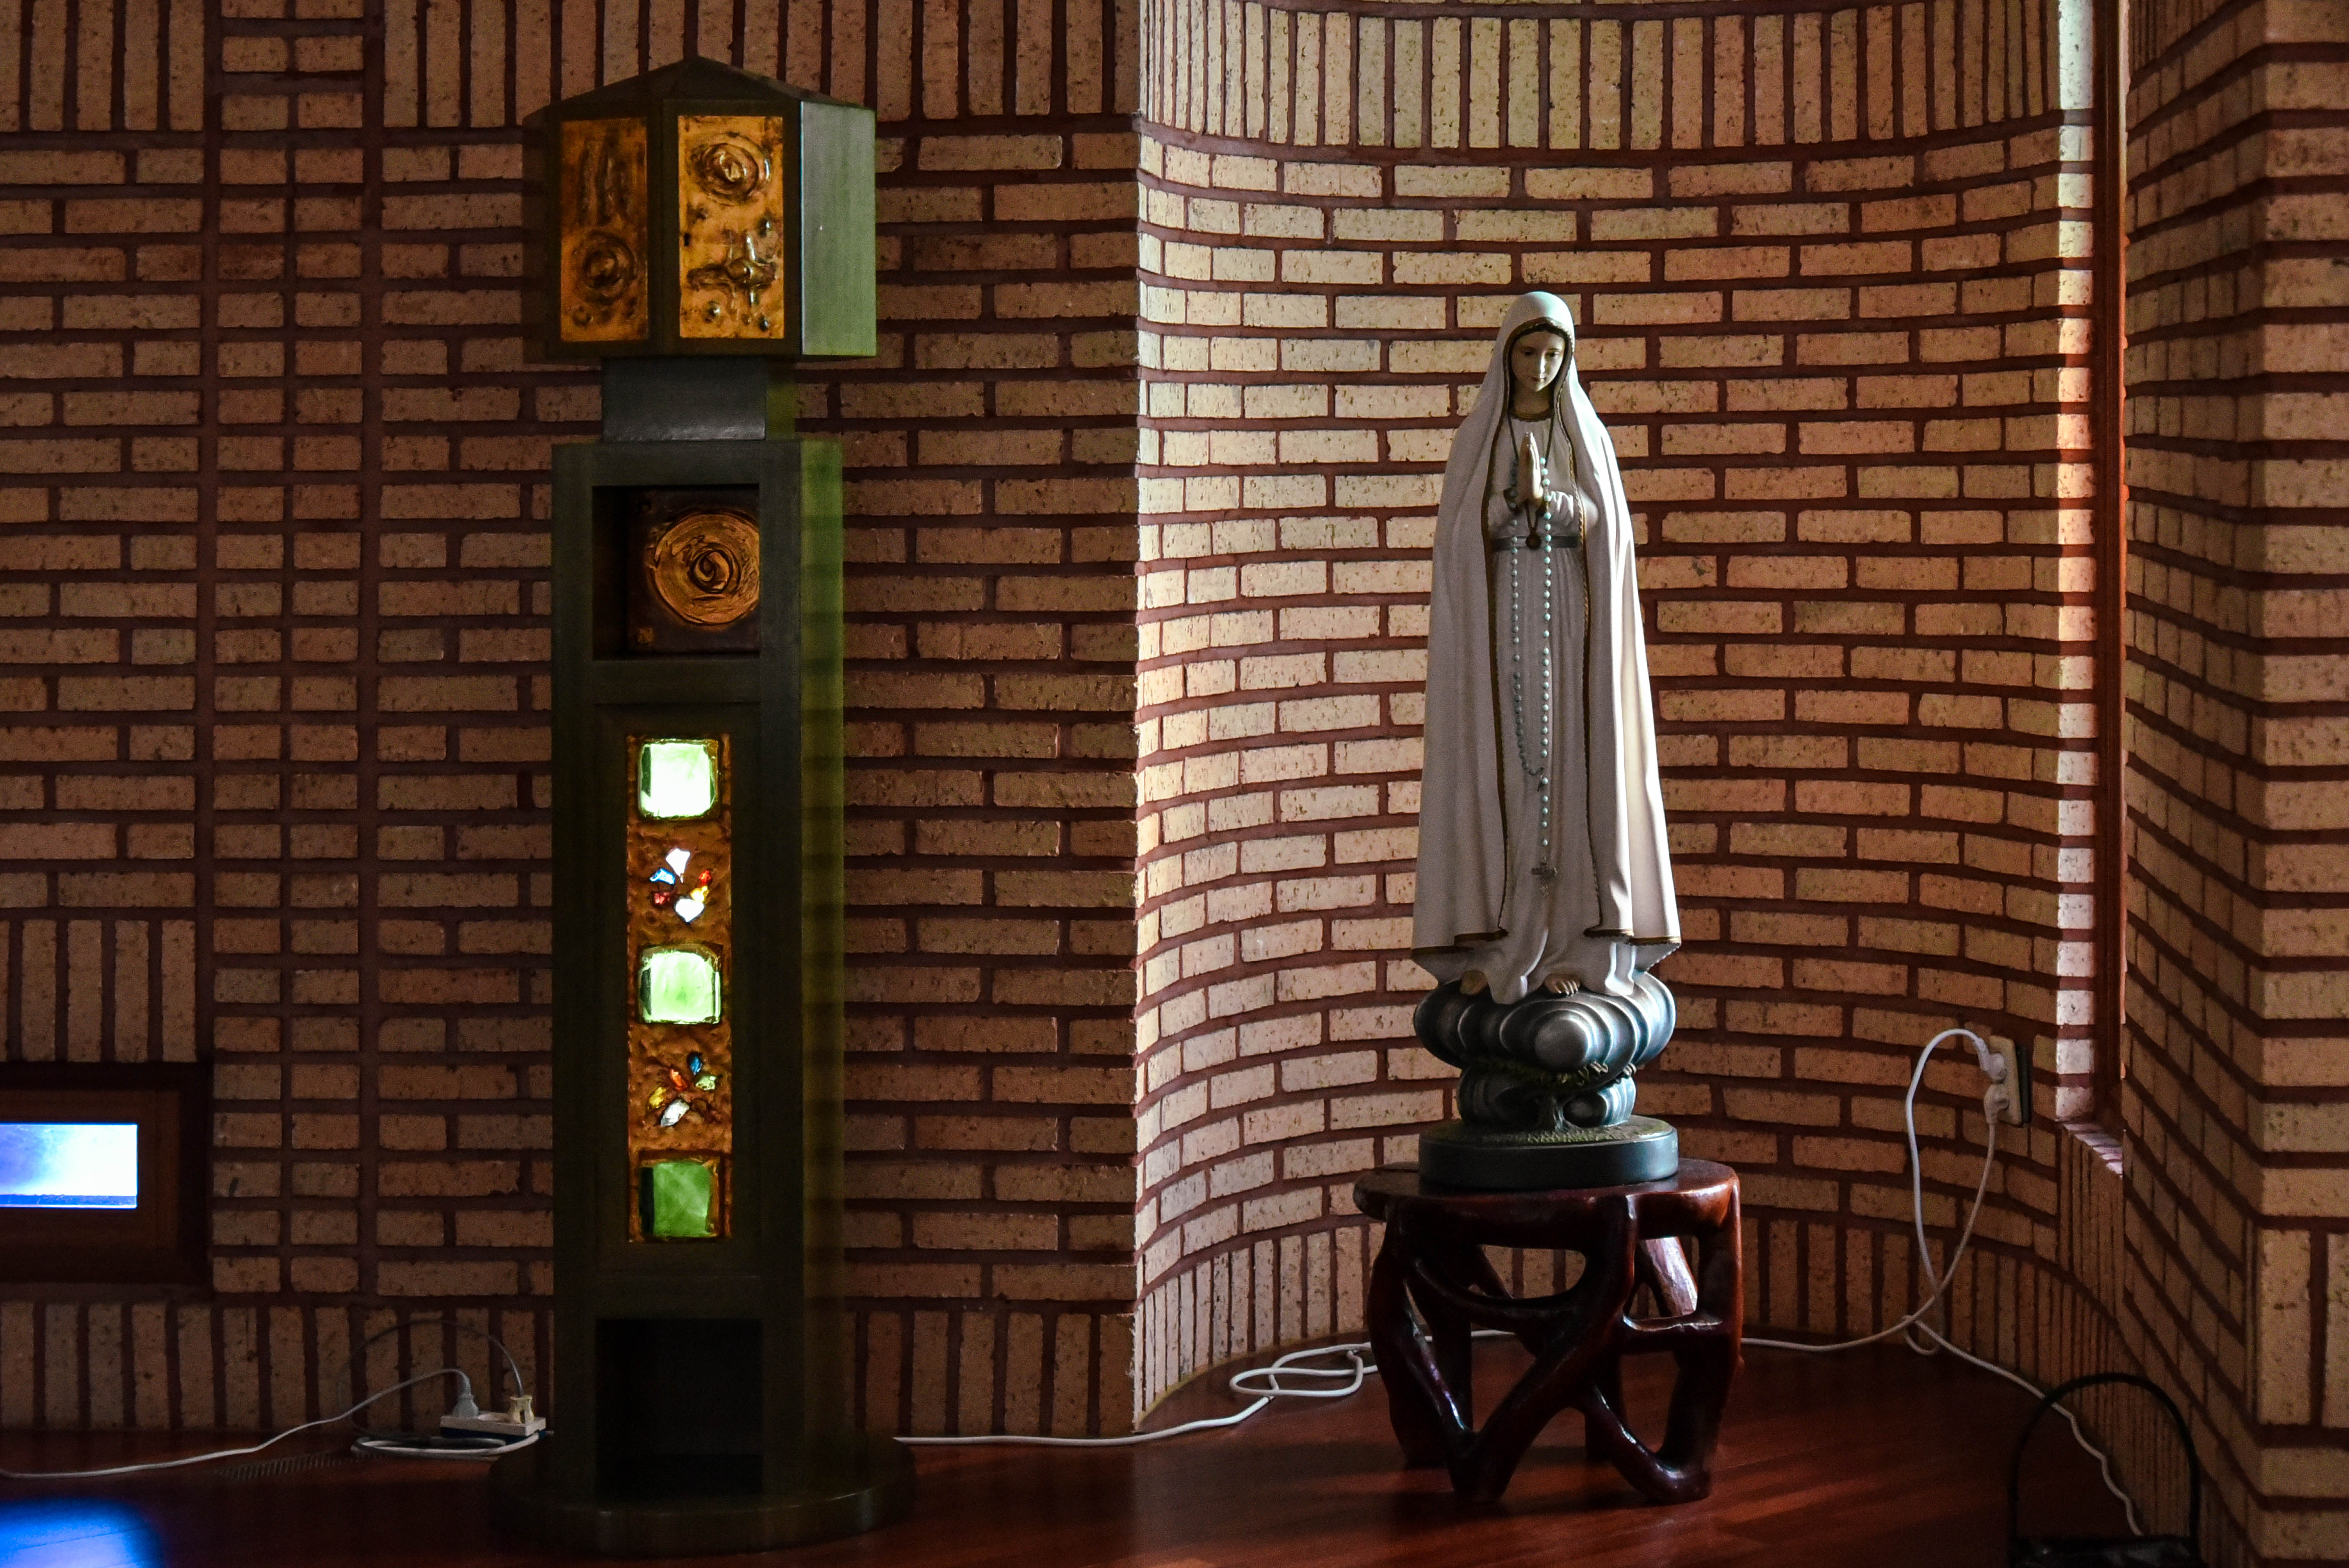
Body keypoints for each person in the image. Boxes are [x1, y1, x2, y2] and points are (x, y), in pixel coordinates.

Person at [1412, 291, 1679, 1007]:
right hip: (1502, 630)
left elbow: (1608, 531)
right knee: (1505, 774)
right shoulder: (1480, 438)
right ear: (1507, 355)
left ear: (1568, 360)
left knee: (1572, 773)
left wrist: (1551, 502)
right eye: (1528, 353)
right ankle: (1504, 948)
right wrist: (1509, 503)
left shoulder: (1583, 435)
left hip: (1572, 637)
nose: (1539, 367)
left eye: (1553, 355)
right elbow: (1458, 540)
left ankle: (1574, 950)